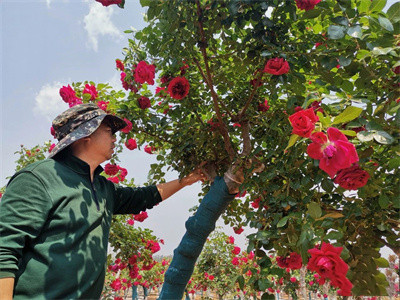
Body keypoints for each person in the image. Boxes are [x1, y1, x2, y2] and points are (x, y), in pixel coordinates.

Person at [0, 103, 206, 300]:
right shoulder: (39, 178)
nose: (115, 138)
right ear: (86, 135)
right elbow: (4, 248)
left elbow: (143, 197)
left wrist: (187, 180)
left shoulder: (103, 188)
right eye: (109, 131)